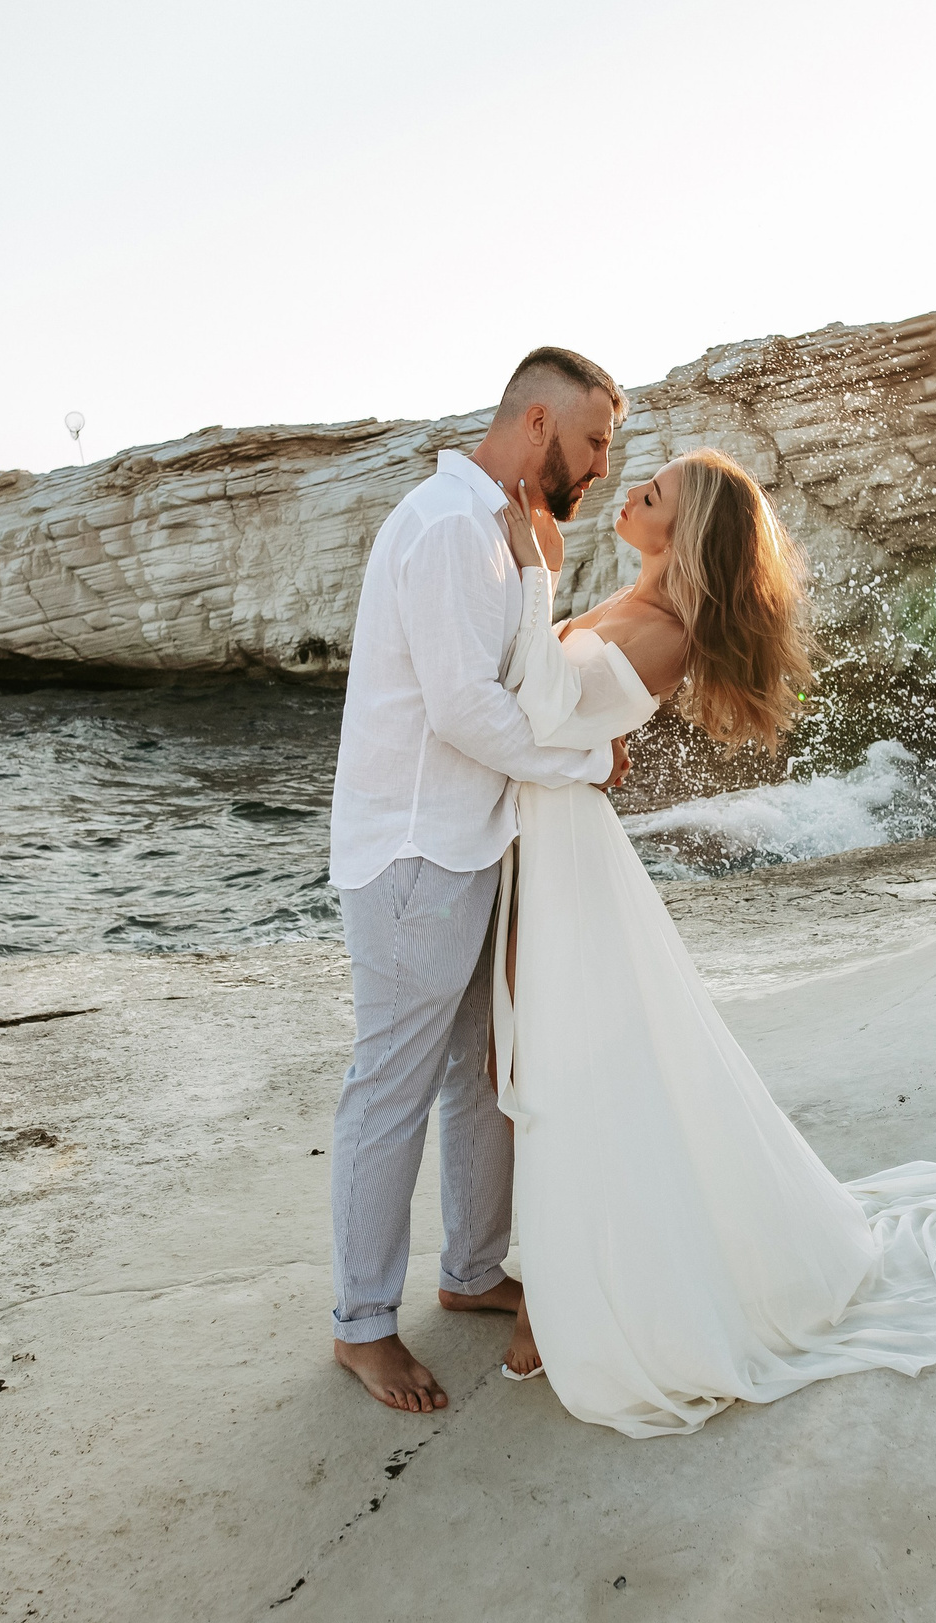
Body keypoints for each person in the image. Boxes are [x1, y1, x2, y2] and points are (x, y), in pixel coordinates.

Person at [487, 447, 936, 1438]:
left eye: (654, 497)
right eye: (641, 486)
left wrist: (531, 569)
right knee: (537, 1061)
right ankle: (549, 1276)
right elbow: (564, 722)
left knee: (567, 1068)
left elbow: (536, 713)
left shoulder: (662, 631)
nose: (633, 496)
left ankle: (563, 1301)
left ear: (684, 535)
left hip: (562, 856)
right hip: (544, 845)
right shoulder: (635, 608)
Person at [324, 346, 633, 1413]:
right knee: (393, 1087)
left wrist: (537, 566)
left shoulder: (493, 529)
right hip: (416, 850)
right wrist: (584, 765)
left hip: (462, 842)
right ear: (539, 423)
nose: (603, 463)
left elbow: (511, 670)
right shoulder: (452, 528)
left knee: (474, 1072)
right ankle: (362, 1327)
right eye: (595, 439)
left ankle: (468, 1271)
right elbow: (464, 709)